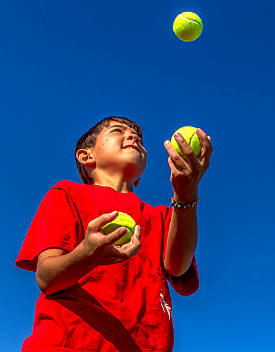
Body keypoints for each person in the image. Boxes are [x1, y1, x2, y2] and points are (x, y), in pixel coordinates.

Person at [15, 116, 213, 352]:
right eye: (118, 130)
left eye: (139, 137)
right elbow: (46, 278)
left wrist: (186, 194)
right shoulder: (67, 193)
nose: (134, 137)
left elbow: (178, 267)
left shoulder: (163, 216)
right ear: (86, 156)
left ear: (140, 177)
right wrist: (87, 255)